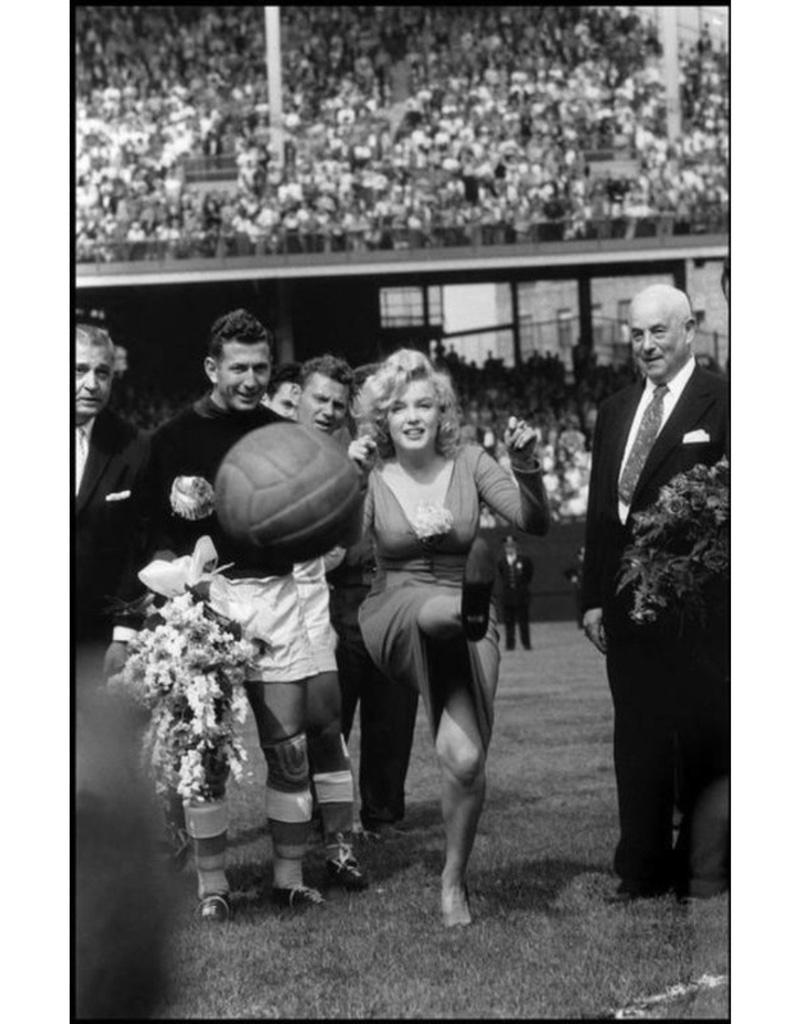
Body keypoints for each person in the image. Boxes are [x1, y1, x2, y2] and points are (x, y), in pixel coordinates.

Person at [118, 309, 353, 920]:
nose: (251, 379)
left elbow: (312, 527)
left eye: (261, 367)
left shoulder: (285, 435)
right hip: (208, 604)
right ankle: (213, 885)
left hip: (276, 599)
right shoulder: (168, 441)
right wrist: (175, 574)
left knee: (290, 749)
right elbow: (148, 534)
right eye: (238, 367)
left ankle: (289, 877)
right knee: (207, 752)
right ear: (211, 367)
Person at [354, 349, 549, 926]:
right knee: (432, 612)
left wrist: (526, 466)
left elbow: (532, 521)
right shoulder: (371, 474)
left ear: (443, 413)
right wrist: (345, 478)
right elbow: (340, 547)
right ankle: (461, 606)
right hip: (396, 606)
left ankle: (453, 881)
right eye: (398, 407)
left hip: (469, 618)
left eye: (425, 404)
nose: (412, 416)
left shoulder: (470, 461)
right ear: (383, 419)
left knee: (463, 760)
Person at [581, 284, 729, 903]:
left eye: (658, 333)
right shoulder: (615, 411)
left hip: (705, 609)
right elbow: (598, 514)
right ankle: (639, 872)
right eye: (637, 335)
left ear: (689, 329)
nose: (646, 346)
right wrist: (592, 598)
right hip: (627, 611)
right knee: (636, 741)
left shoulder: (726, 400)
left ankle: (704, 871)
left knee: (702, 738)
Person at [328, 363, 419, 836]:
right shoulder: (336, 454)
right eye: (374, 400)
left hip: (397, 596)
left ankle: (383, 815)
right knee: (330, 716)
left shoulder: (413, 457)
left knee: (393, 715)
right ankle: (330, 817)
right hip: (341, 598)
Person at [74, 324, 149, 669]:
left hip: (100, 641)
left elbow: (138, 548)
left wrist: (123, 635)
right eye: (79, 370)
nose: (92, 384)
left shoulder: (133, 446)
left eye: (102, 373)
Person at [496, 535, 534, 651]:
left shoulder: (524, 560)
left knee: (523, 621)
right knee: (509, 622)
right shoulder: (501, 561)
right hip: (508, 595)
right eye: (507, 546)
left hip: (521, 594)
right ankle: (510, 644)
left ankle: (526, 644)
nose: (510, 548)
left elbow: (529, 574)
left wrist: (522, 586)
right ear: (504, 548)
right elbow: (502, 575)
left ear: (516, 547)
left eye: (512, 546)